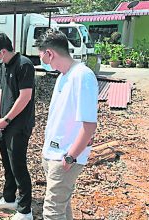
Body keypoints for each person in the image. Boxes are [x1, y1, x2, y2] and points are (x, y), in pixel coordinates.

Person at [35, 29, 98, 220]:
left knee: (52, 212)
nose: (41, 60)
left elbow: (89, 126)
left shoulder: (82, 76)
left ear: (49, 53)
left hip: (65, 157)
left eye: (41, 55)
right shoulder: (63, 77)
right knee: (62, 208)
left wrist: (71, 156)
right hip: (54, 154)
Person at [0, 32, 35, 220]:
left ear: (3, 51)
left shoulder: (24, 65)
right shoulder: (5, 66)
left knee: (18, 166)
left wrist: (7, 119)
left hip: (19, 124)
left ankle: (25, 210)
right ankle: (9, 198)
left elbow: (25, 96)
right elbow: (2, 90)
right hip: (4, 122)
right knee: (7, 163)